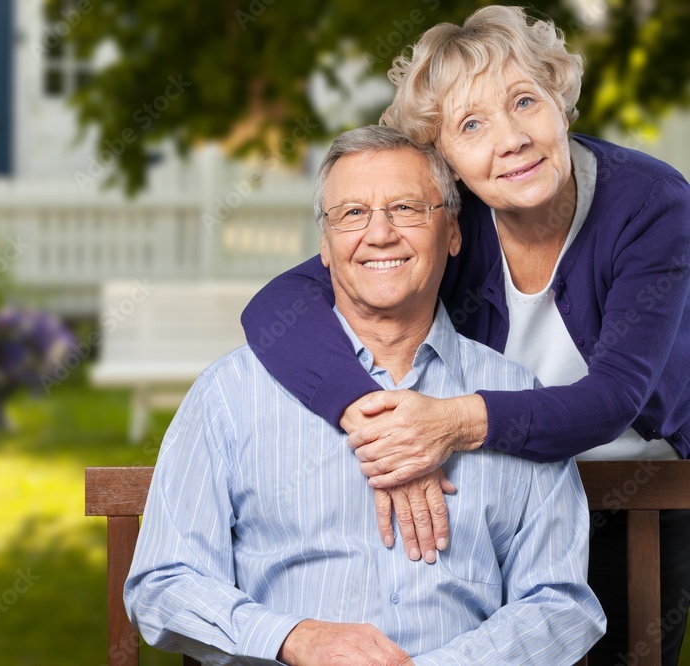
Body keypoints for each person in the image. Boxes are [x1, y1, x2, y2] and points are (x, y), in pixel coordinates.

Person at [240, 6, 690, 665]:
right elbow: (279, 304)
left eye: (525, 102)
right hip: (501, 506)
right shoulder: (454, 221)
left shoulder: (652, 205)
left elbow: (613, 399)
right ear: (442, 158)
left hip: (638, 497)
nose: (510, 139)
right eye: (472, 124)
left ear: (561, 105)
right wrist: (377, 420)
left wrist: (449, 424)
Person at [126, 126, 604, 665]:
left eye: (406, 208)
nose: (379, 234)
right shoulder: (231, 395)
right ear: (325, 248)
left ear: (452, 232)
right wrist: (295, 638)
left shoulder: (514, 398)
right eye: (352, 214)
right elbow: (163, 583)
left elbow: (560, 602)